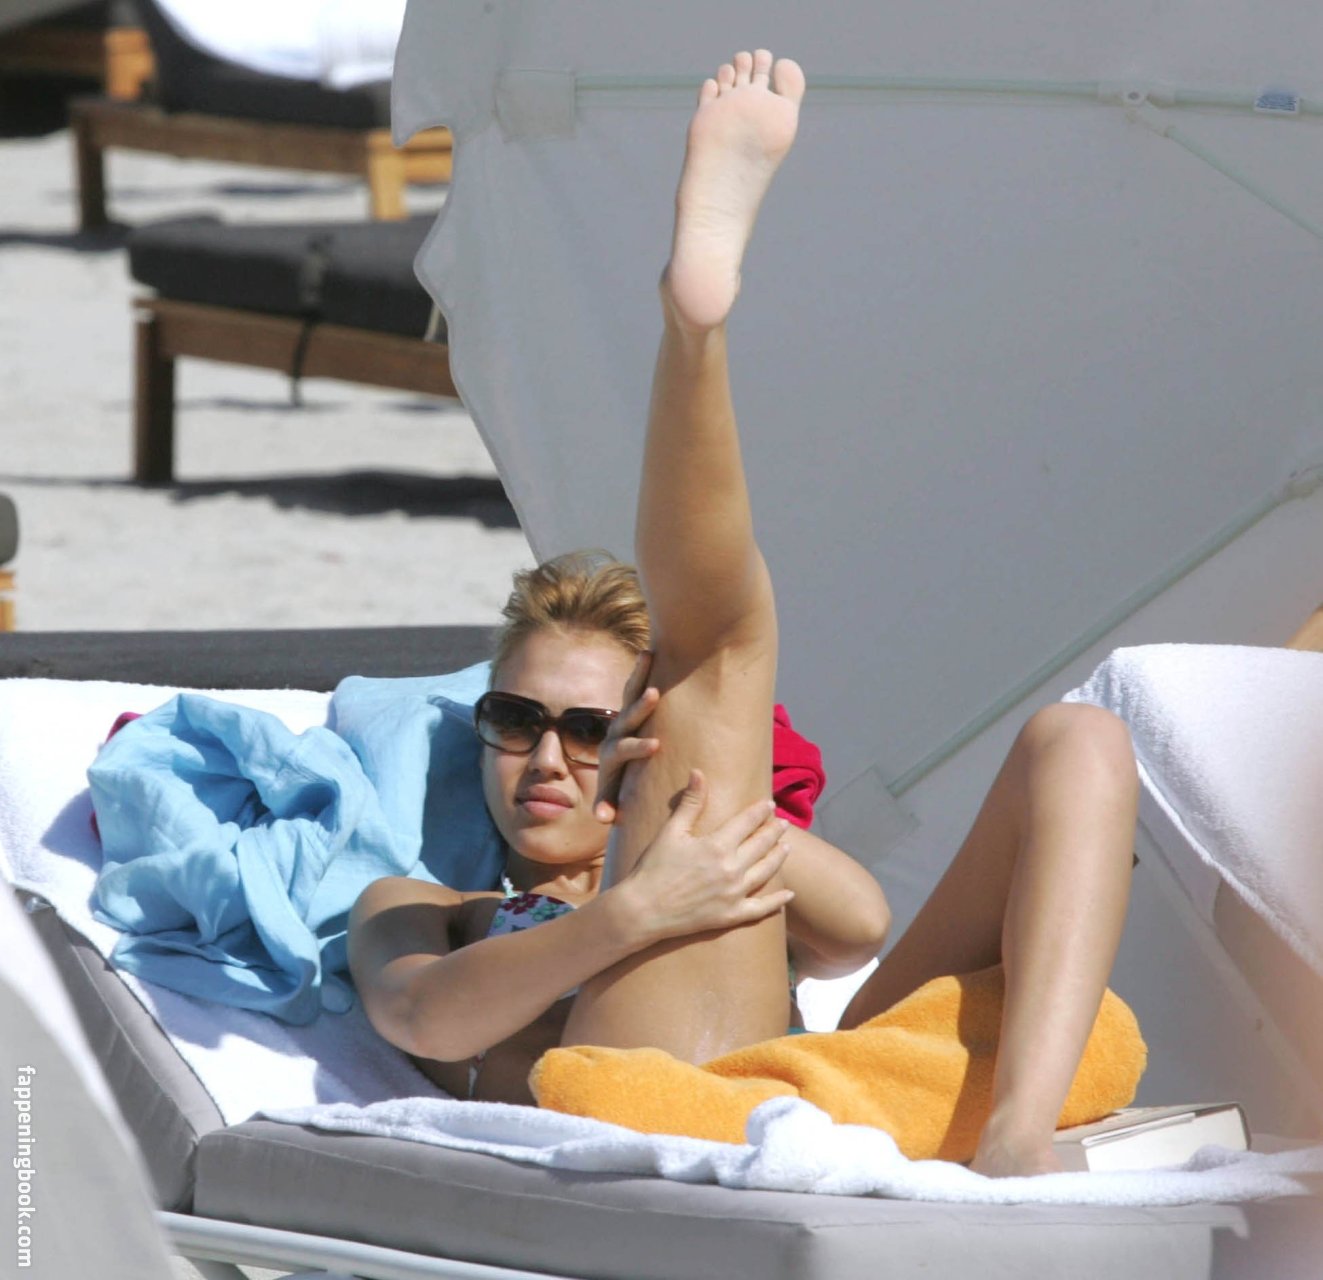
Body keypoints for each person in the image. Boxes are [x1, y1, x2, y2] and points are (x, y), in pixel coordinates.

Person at [351, 49, 1139, 1177]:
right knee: (722, 646)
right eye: (514, 719)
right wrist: (634, 910)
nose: (548, 758)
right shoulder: (423, 905)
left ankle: (1017, 1133)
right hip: (639, 1104)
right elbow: (426, 1020)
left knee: (1081, 740)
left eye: (589, 729)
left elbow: (858, 925)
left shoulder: (707, 829)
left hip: (799, 1093)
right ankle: (695, 330)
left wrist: (663, 803)